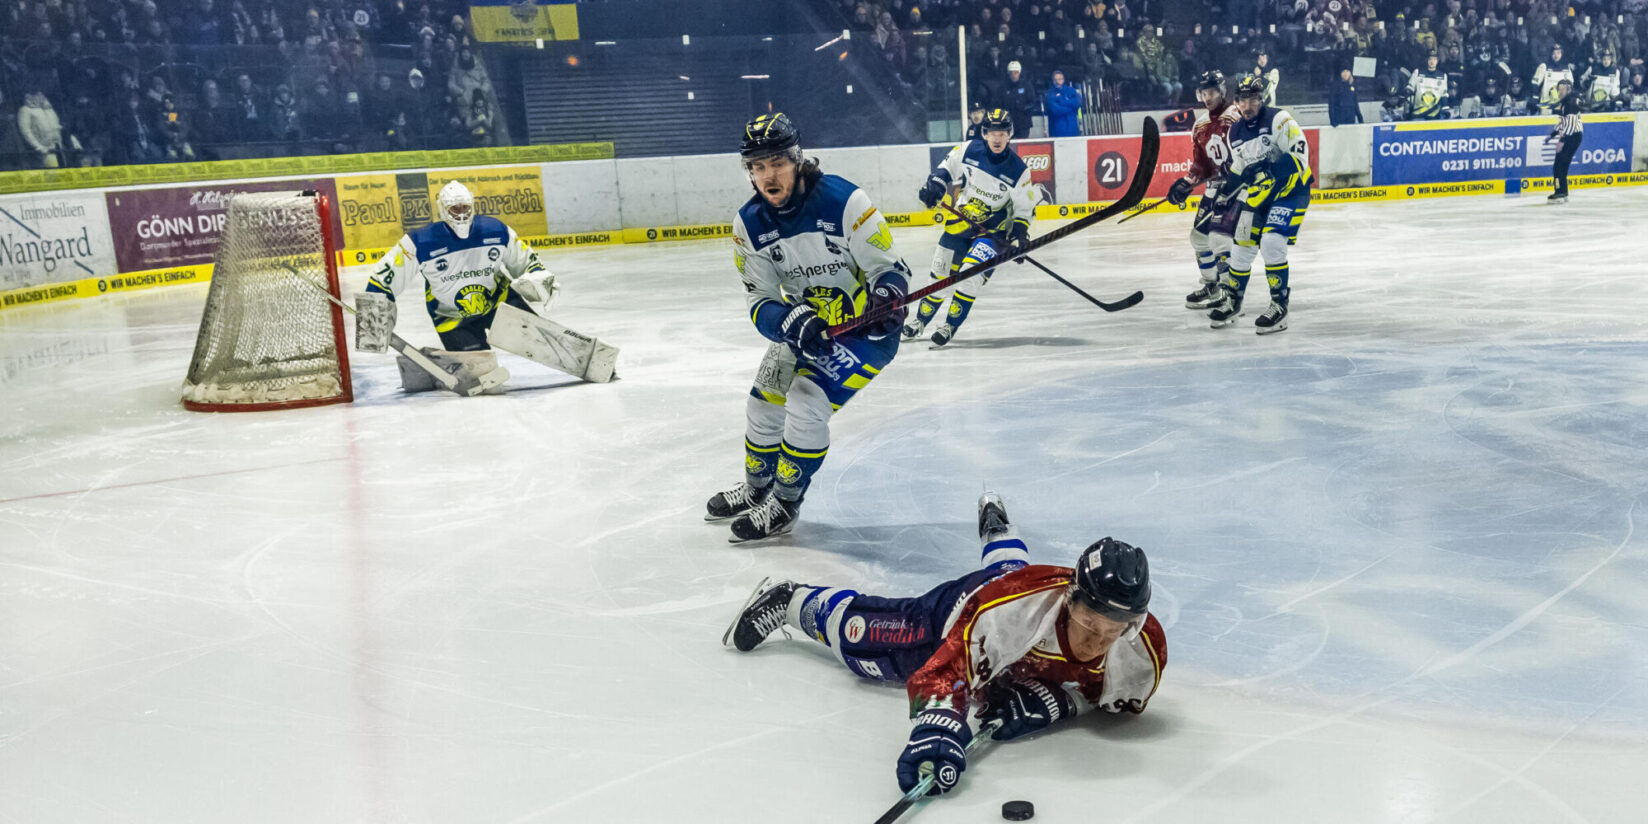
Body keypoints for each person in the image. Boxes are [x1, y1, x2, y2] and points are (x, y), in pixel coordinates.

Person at [723, 492, 1167, 796]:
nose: (1099, 640)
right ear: (1070, 600)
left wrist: (1062, 703)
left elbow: (1109, 700)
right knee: (866, 642)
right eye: (1090, 621)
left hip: (1014, 595)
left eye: (1118, 628)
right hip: (966, 609)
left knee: (1012, 571)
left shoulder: (1142, 652)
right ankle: (792, 600)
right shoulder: (1009, 612)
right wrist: (936, 725)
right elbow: (944, 670)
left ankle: (999, 532)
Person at [706, 113, 911, 541]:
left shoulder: (845, 201)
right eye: (756, 166)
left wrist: (889, 299)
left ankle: (785, 501)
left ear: (797, 160)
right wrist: (788, 321)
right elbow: (759, 301)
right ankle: (757, 489)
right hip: (804, 330)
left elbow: (890, 270)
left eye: (776, 162)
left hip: (861, 332)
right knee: (762, 405)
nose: (767, 175)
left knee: (805, 399)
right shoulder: (749, 223)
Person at [358, 181, 612, 390]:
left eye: (464, 207)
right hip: (453, 318)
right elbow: (384, 277)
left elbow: (527, 262)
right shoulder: (420, 241)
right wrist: (373, 316)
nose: (461, 214)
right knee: (482, 378)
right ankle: (434, 368)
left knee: (542, 340)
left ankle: (594, 363)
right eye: (454, 209)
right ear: (443, 210)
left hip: (500, 302)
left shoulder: (496, 230)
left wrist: (538, 279)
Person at [904, 108, 1035, 346]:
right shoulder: (968, 149)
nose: (997, 138)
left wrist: (1019, 236)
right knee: (939, 276)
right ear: (984, 133)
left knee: (969, 278)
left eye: (1003, 133)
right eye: (993, 132)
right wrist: (935, 187)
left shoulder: (1019, 170)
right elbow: (944, 170)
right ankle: (920, 321)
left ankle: (949, 325)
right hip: (959, 225)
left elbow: (1024, 209)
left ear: (1010, 134)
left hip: (992, 234)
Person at [1205, 73, 1312, 335]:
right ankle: (1234, 300)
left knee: (1272, 242)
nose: (1248, 105)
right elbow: (1240, 172)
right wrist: (1224, 195)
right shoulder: (1236, 132)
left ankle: (1279, 304)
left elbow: (1301, 156)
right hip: (1260, 196)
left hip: (1291, 190)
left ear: (1261, 98)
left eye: (1253, 99)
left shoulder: (1279, 119)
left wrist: (1269, 167)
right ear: (1237, 102)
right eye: (1243, 100)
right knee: (1241, 246)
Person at [1168, 71, 1240, 311]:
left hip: (1235, 189)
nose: (1208, 97)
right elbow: (1201, 165)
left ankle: (1229, 293)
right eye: (1205, 92)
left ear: (1222, 92)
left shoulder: (1235, 117)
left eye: (1212, 92)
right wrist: (1186, 183)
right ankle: (1212, 285)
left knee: (1220, 240)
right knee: (1198, 238)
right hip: (1213, 188)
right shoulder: (1199, 125)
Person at [1546, 78, 1583, 204]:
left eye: (1563, 89)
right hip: (1572, 136)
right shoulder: (1566, 102)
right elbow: (1563, 122)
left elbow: (1571, 125)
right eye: (1559, 89)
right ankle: (1563, 191)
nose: (1560, 92)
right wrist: (1552, 135)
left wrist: (1562, 141)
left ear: (1568, 89)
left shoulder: (1570, 103)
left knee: (1559, 164)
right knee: (1562, 164)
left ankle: (1559, 192)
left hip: (1573, 136)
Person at [17, 91, 63, 168]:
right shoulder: (25, 110)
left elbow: (57, 126)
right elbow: (26, 132)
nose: (40, 96)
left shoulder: (49, 109)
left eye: (41, 94)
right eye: (37, 94)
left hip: (58, 148)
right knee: (52, 175)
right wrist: (39, 147)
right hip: (44, 151)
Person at [1532, 43, 1575, 114]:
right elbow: (1535, 83)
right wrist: (1535, 97)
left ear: (1562, 54)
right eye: (1554, 53)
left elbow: (1571, 85)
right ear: (1550, 54)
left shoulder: (1567, 68)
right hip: (1546, 106)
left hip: (1562, 106)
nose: (1556, 56)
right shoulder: (1544, 66)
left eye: (1558, 53)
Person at [1000, 61, 1037, 139]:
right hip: (1008, 123)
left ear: (1019, 73)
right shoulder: (1003, 87)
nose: (1014, 75)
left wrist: (1023, 109)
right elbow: (999, 104)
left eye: (1016, 72)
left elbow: (1032, 102)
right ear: (1008, 73)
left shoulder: (1027, 85)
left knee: (1023, 147)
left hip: (1023, 123)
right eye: (1011, 73)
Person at [1408, 52, 1449, 119]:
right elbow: (1409, 89)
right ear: (1427, 60)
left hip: (1434, 114)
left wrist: (1445, 108)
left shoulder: (1443, 76)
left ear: (1437, 61)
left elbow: (1444, 94)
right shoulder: (1417, 72)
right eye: (1430, 59)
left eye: (1434, 59)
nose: (1432, 62)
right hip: (1418, 113)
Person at [1043, 69, 1083, 137]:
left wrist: (1061, 102)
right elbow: (1056, 110)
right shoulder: (1049, 94)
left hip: (1073, 130)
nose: (1057, 82)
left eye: (1059, 79)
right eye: (1055, 80)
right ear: (1052, 81)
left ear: (1063, 80)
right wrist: (1073, 108)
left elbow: (1079, 102)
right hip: (1057, 132)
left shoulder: (1071, 90)